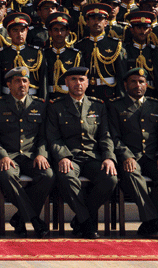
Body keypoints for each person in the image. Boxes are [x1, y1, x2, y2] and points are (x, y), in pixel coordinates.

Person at [47, 66, 118, 239]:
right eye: (73, 79)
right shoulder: (56, 106)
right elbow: (53, 137)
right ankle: (86, 223)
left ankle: (80, 218)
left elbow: (105, 135)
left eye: (81, 79)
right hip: (71, 157)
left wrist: (109, 158)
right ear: (66, 83)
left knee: (110, 178)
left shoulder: (98, 105)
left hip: (93, 157)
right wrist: (63, 156)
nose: (78, 83)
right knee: (66, 177)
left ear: (87, 83)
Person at [0, 67, 53, 238]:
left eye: (25, 81)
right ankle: (35, 220)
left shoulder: (40, 105)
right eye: (17, 81)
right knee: (7, 174)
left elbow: (44, 136)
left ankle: (20, 218)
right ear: (9, 84)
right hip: (9, 156)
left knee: (48, 175)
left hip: (31, 156)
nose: (22, 84)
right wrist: (2, 155)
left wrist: (41, 154)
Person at [107, 67, 158, 237]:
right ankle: (152, 222)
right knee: (132, 174)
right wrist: (126, 156)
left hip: (151, 157)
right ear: (125, 85)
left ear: (146, 85)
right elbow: (113, 136)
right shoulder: (115, 106)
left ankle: (150, 223)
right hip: (129, 158)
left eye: (141, 82)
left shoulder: (154, 105)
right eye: (133, 82)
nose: (138, 85)